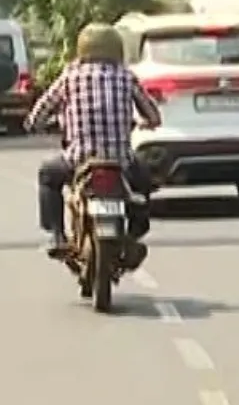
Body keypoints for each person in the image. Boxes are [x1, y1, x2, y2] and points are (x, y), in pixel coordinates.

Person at [26, 23, 161, 258]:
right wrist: (146, 122)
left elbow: (40, 112)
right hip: (121, 161)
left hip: (79, 160)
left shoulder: (70, 75)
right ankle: (136, 228)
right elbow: (153, 115)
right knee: (144, 178)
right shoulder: (126, 77)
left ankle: (57, 235)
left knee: (48, 176)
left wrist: (34, 125)